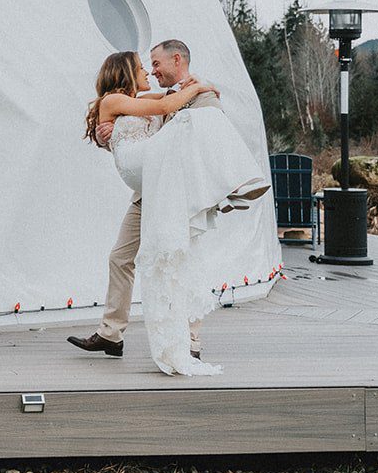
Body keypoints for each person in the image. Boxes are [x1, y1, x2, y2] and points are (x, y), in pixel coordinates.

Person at [67, 42, 269, 376]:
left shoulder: (196, 95)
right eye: (143, 67)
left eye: (155, 64)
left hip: (173, 192)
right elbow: (152, 118)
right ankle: (111, 334)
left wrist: (200, 87)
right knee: (120, 258)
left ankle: (190, 340)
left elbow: (196, 123)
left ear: (177, 60)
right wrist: (108, 139)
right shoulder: (126, 100)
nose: (150, 71)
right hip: (146, 193)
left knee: (181, 259)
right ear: (126, 73)